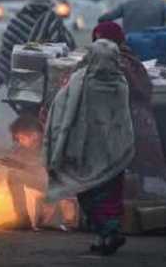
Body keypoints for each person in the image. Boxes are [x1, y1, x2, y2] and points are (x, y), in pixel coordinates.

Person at [44, 40, 135, 256]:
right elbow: (124, 118)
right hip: (113, 149)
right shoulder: (121, 83)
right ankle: (104, 238)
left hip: (85, 149)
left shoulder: (81, 82)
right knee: (110, 195)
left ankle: (108, 233)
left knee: (87, 192)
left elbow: (62, 109)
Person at [92, 22, 166, 185]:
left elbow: (139, 88)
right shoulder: (101, 59)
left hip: (128, 115)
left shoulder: (123, 61)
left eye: (103, 41)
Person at [0, 0, 76, 87]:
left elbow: (6, 49)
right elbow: (65, 44)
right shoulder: (51, 19)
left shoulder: (17, 20)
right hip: (45, 76)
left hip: (17, 74)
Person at [0, 115, 47, 230]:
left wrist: (21, 166)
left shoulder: (49, 144)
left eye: (22, 138)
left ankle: (23, 220)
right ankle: (23, 219)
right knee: (13, 174)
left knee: (15, 176)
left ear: (34, 135)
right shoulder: (22, 148)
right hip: (44, 184)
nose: (20, 142)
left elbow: (45, 171)